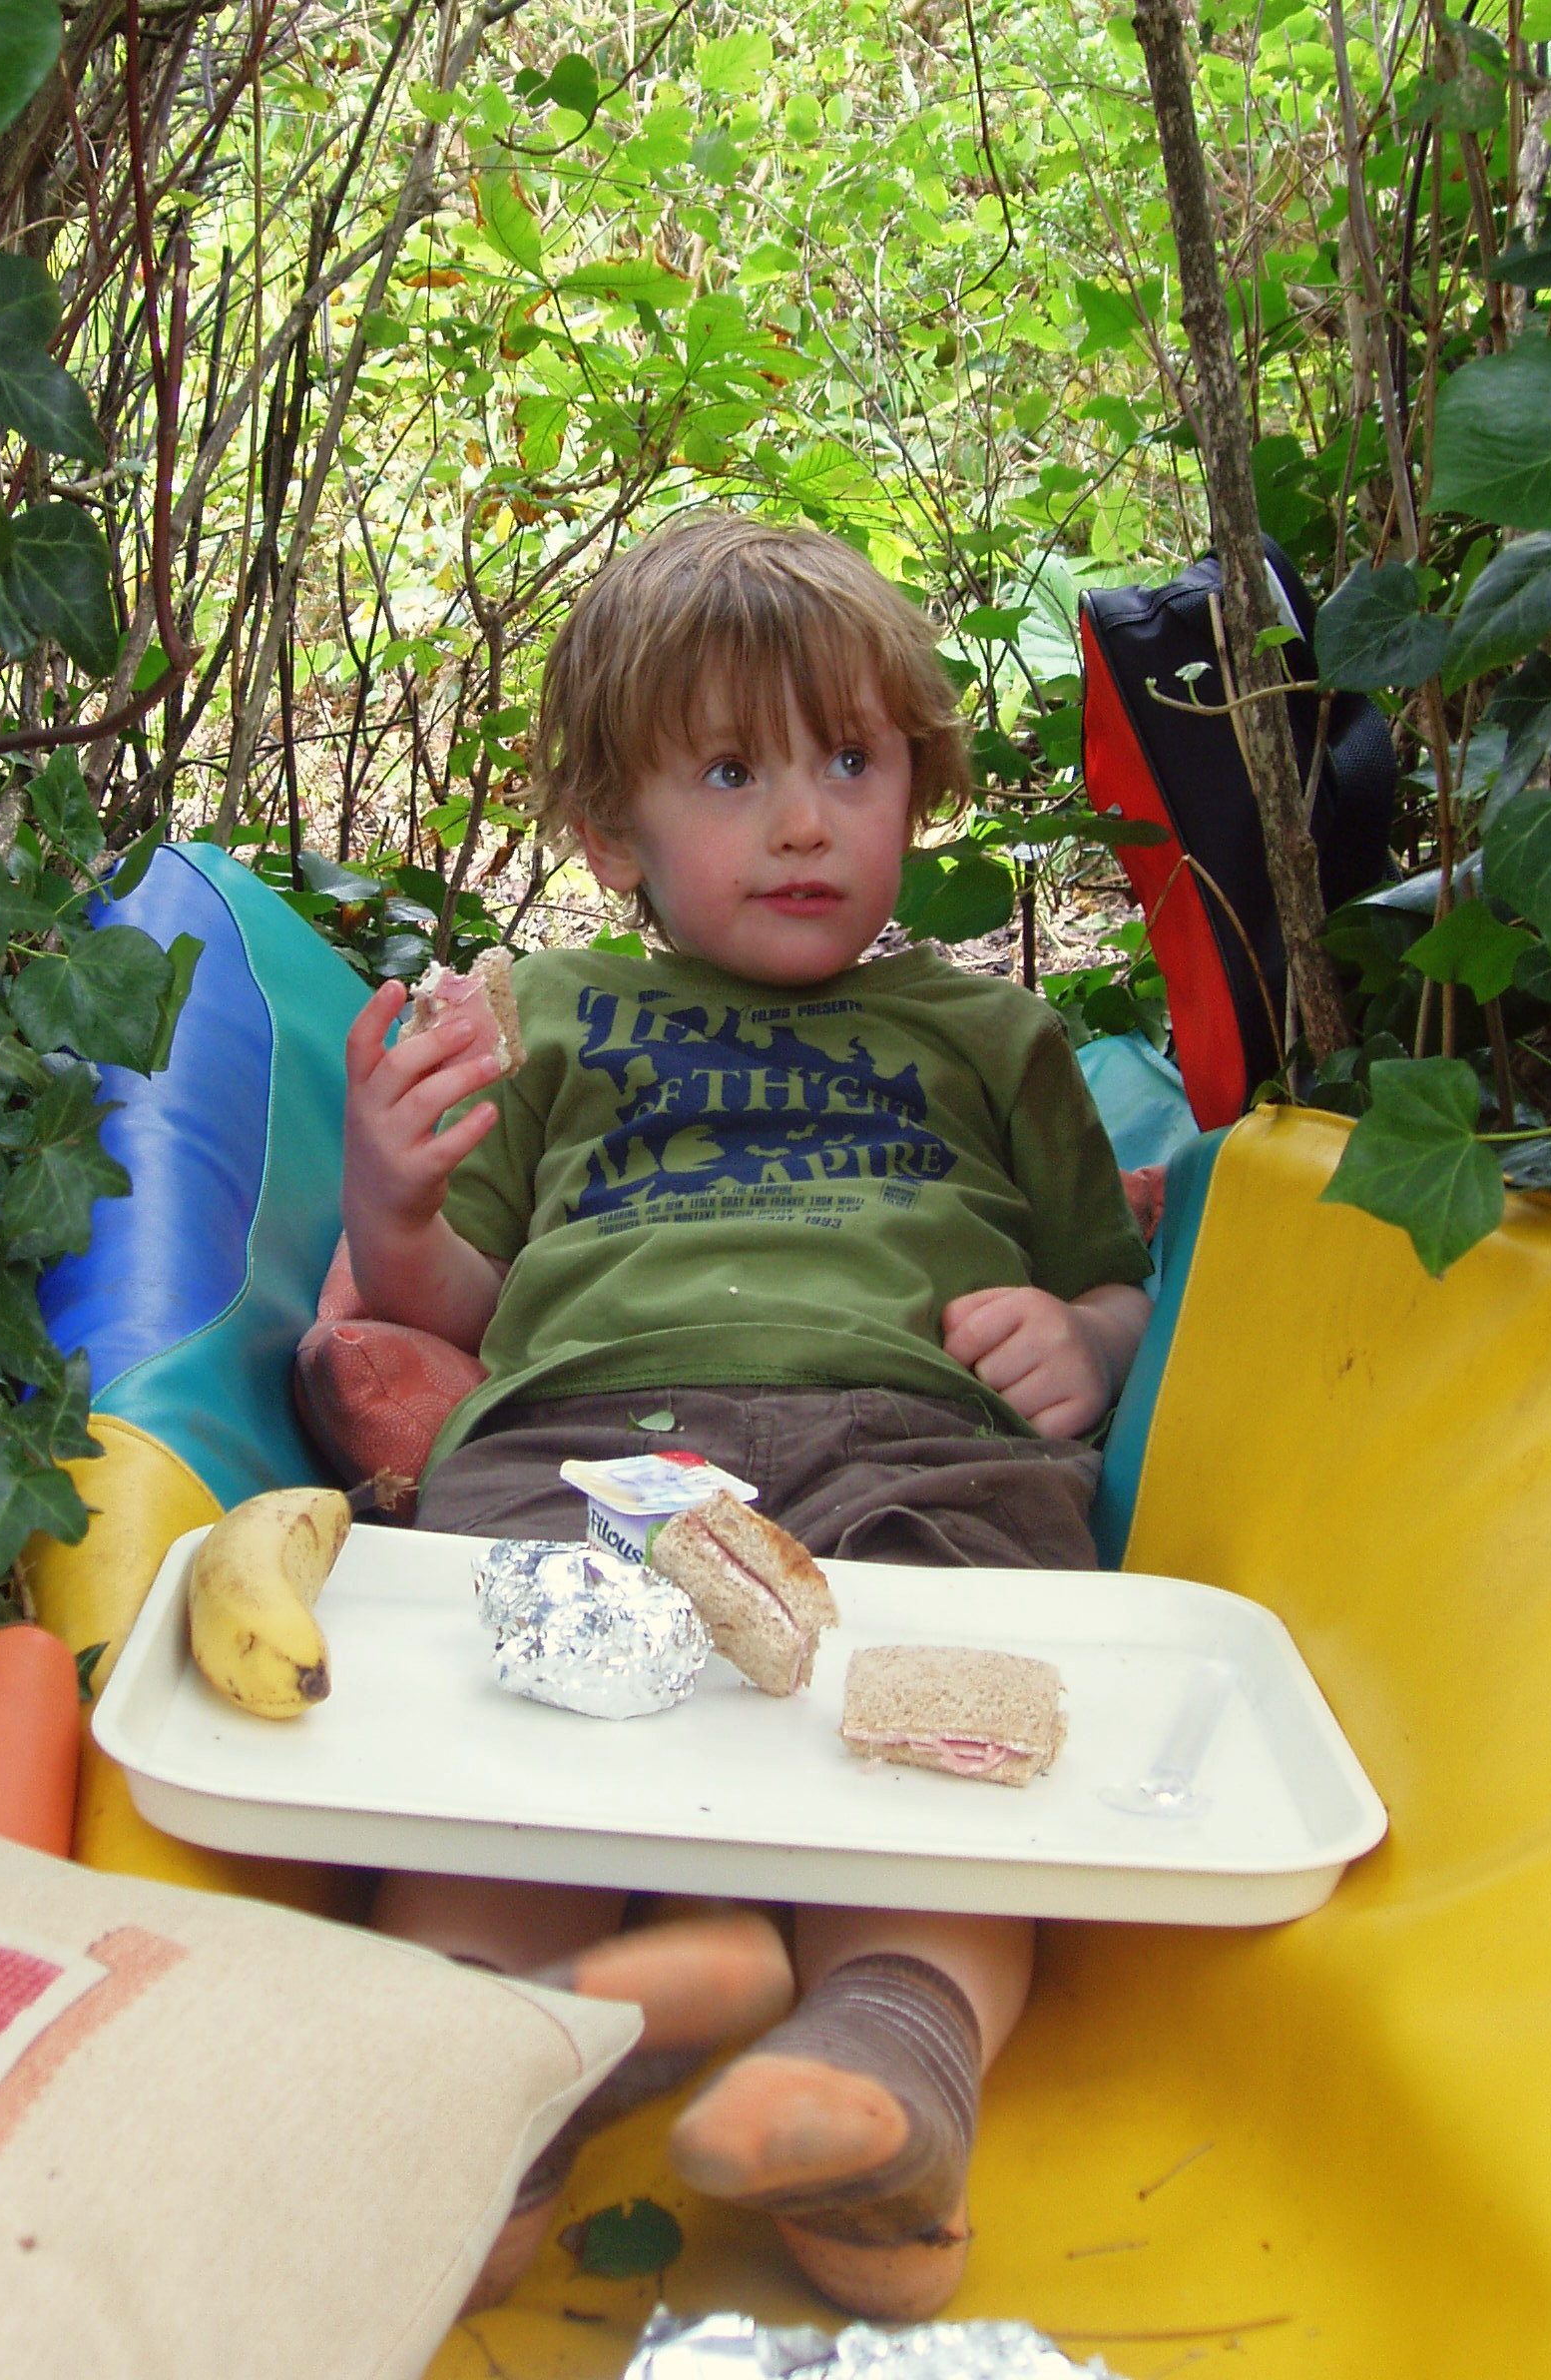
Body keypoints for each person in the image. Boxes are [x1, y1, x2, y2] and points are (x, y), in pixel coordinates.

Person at [339, 516, 1154, 2319]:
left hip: (915, 1434)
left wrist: (1084, 1343)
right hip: (595, 1439)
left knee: (946, 1710)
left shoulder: (992, 1035)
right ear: (610, 829)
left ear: (915, 782)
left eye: (851, 763)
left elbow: (1116, 1279)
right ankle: (488, 2081)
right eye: (731, 771)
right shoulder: (549, 1010)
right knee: (502, 1714)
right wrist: (392, 1204)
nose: (806, 820)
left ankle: (876, 2078)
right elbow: (441, 1312)